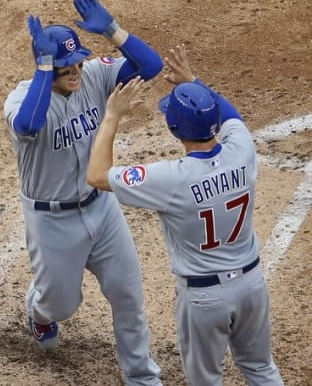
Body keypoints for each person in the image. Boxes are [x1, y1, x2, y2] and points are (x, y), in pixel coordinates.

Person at [87, 44, 284, 385]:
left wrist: (111, 116)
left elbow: (97, 176)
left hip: (205, 299)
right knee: (261, 369)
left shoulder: (171, 179)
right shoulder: (242, 150)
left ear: (175, 129)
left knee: (206, 381)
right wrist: (195, 83)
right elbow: (231, 115)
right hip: (252, 284)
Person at [3, 0, 163, 385]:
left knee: (128, 296)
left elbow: (151, 66)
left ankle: (142, 376)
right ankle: (38, 311)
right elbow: (27, 125)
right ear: (46, 68)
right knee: (61, 305)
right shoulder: (23, 98)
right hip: (52, 221)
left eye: (77, 61)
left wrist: (113, 30)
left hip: (102, 209)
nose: (75, 70)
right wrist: (44, 69)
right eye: (64, 67)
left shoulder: (94, 75)